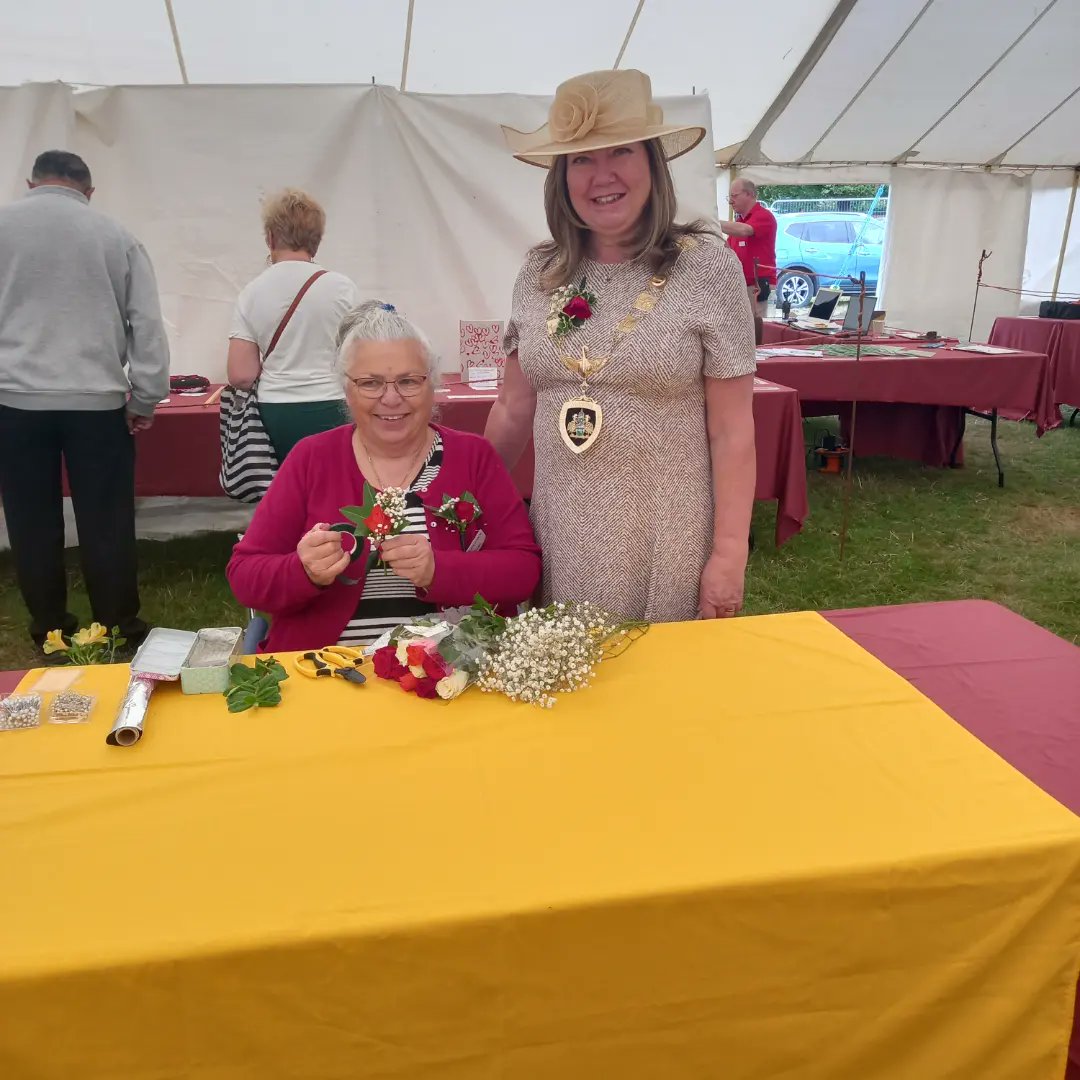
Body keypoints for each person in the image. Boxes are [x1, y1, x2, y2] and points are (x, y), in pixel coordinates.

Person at [488, 69, 756, 623]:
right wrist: (468, 508)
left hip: (666, 536)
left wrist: (730, 554)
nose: (601, 175)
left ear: (653, 165)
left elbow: (732, 431)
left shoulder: (706, 265)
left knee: (660, 697)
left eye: (621, 153)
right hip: (560, 530)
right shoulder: (539, 271)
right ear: (560, 178)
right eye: (581, 159)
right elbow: (513, 407)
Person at [227, 301, 541, 652]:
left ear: (433, 386)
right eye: (371, 383)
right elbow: (245, 576)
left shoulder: (473, 457)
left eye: (408, 381)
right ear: (347, 389)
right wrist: (304, 571)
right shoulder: (312, 458)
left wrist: (440, 570)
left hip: (453, 672)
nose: (391, 398)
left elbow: (523, 570)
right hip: (328, 672)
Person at [0, 150, 169, 656]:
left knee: (31, 521)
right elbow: (146, 324)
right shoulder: (116, 236)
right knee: (107, 520)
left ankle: (49, 629)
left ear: (31, 182)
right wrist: (146, 394)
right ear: (88, 191)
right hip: (95, 401)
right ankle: (118, 626)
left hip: (15, 399)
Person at [227, 188, 361, 462]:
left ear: (271, 237)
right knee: (335, 483)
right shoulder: (343, 288)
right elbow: (361, 356)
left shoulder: (252, 292)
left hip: (277, 408)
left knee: (290, 487)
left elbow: (240, 374)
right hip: (334, 402)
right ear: (316, 241)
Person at [720, 179, 777, 317]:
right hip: (741, 286)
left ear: (749, 194)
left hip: (757, 287)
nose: (730, 201)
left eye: (734, 196)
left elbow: (745, 231)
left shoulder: (764, 216)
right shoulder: (739, 222)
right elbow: (727, 249)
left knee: (758, 330)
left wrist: (710, 221)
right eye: (730, 197)